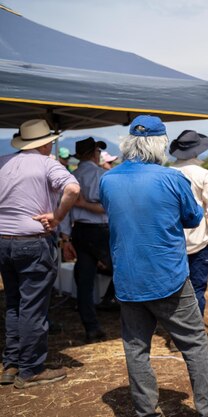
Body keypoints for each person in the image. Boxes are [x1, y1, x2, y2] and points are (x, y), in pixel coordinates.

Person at [100, 115, 208, 417]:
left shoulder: (108, 179)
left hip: (128, 278)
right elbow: (193, 218)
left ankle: (145, 411)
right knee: (195, 345)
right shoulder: (172, 179)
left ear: (129, 144)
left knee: (136, 349)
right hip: (168, 278)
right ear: (160, 145)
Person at [0, 119, 80, 388]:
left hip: (3, 241)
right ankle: (30, 369)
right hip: (33, 241)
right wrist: (57, 217)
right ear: (44, 142)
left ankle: (11, 363)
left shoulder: (3, 161)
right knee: (33, 305)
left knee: (14, 302)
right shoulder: (47, 163)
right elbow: (73, 189)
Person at [60, 137, 111, 343]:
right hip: (100, 230)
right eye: (98, 151)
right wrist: (84, 205)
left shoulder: (70, 177)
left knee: (85, 280)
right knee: (124, 272)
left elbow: (63, 210)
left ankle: (91, 326)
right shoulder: (101, 175)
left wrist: (65, 239)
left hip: (79, 231)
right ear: (94, 153)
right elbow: (108, 207)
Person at [169, 130, 208, 317]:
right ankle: (194, 335)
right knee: (197, 288)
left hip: (172, 241)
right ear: (196, 151)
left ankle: (177, 331)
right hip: (199, 241)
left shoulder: (167, 173)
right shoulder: (203, 174)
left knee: (175, 288)